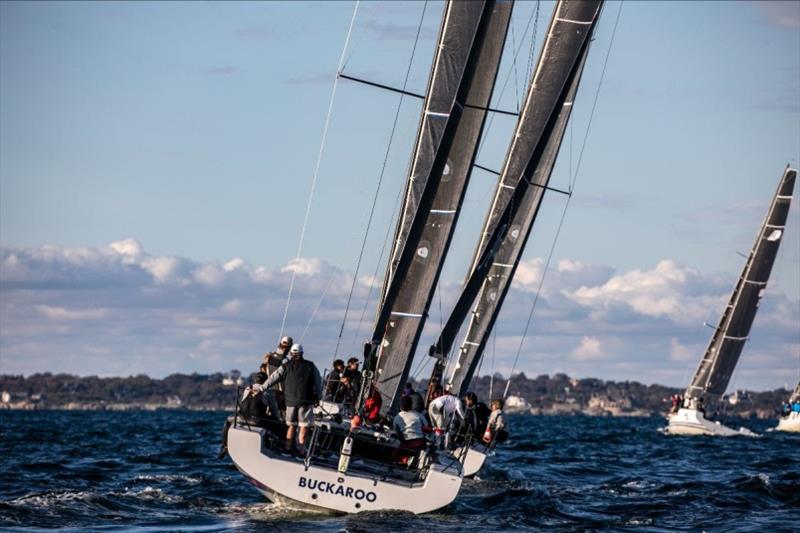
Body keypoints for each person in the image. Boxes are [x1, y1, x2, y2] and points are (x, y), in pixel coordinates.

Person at [263, 343, 322, 455]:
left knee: (291, 425)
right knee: (303, 426)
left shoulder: (285, 366)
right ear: (302, 353)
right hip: (306, 401)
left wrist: (262, 388)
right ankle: (301, 450)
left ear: (291, 354)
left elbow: (273, 378)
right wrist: (319, 397)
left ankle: (288, 448)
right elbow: (318, 383)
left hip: (290, 401)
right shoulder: (311, 366)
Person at [262, 336, 293, 417]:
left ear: (280, 344)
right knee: (282, 417)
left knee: (269, 414)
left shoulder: (268, 356)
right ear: (289, 348)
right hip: (280, 393)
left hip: (268, 390)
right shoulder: (286, 361)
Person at [392, 395, 427, 464]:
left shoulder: (397, 418)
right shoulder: (419, 415)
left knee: (394, 457)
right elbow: (426, 426)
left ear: (400, 406)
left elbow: (397, 433)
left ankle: (406, 460)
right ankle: (414, 458)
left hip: (408, 443)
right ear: (411, 405)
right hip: (421, 442)